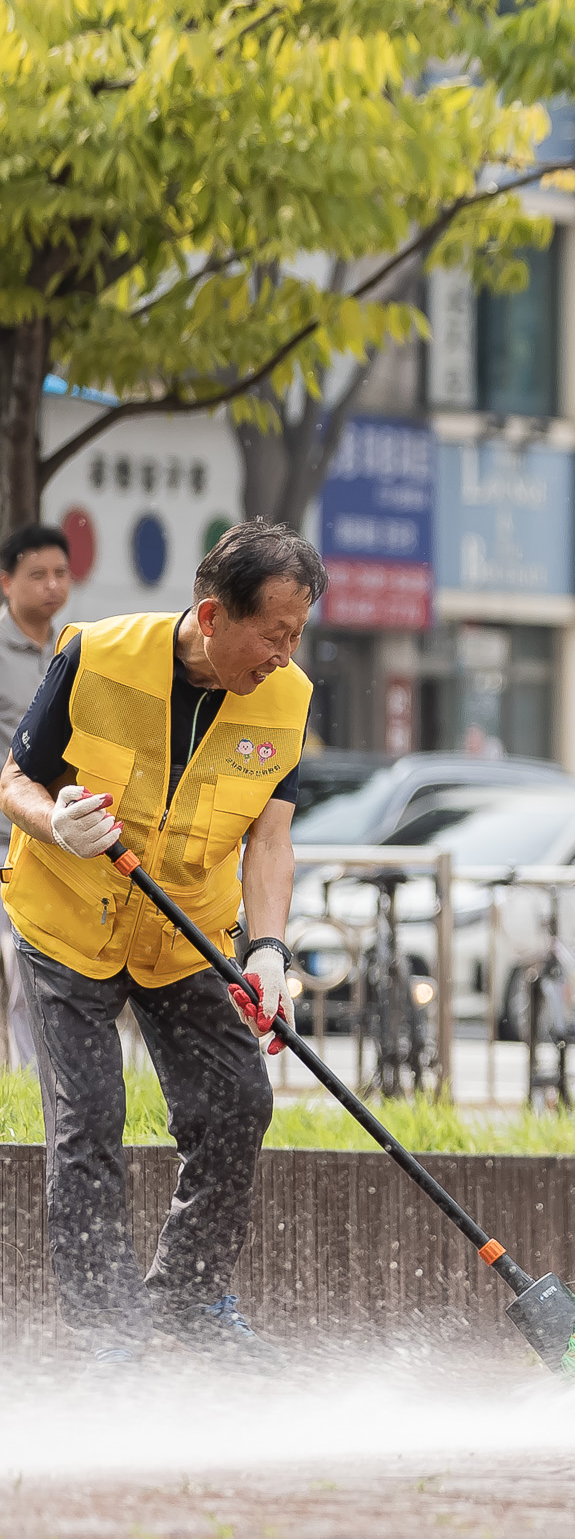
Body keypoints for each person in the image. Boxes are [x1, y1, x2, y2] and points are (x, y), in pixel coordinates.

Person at [0, 521, 322, 1367]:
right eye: (275, 633)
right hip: (68, 919)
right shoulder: (94, 654)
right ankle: (108, 1333)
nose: (286, 655)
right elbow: (15, 775)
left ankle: (187, 1293)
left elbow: (270, 839)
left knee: (237, 1101)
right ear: (213, 616)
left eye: (298, 634)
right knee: (91, 1116)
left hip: (183, 929)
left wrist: (268, 950)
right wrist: (52, 819)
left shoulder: (287, 700)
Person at [0, 522, 71, 1068]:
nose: (52, 585)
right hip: (4, 841)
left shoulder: (72, 651)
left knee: (38, 971)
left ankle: (32, 1085)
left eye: (61, 573)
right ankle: (23, 1086)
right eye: (38, 574)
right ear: (6, 582)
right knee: (15, 970)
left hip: (52, 835)